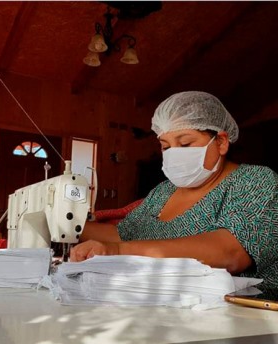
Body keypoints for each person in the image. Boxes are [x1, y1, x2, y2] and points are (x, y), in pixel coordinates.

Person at [71, 91, 278, 286]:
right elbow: (124, 234)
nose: (174, 154)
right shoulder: (163, 191)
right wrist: (64, 225)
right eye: (166, 146)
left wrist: (118, 251)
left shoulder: (255, 181)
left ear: (222, 142)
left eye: (186, 144)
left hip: (245, 315)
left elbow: (230, 253)